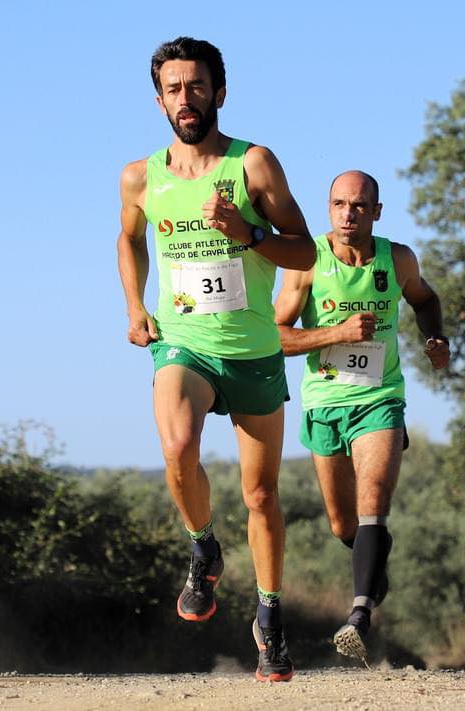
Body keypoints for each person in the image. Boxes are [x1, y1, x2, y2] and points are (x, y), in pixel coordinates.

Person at [115, 36, 315, 682]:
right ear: (159, 100)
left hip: (253, 349)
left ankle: (269, 615)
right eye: (174, 89)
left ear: (219, 93)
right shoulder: (141, 176)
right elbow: (128, 237)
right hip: (183, 341)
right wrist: (134, 306)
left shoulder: (253, 165)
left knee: (260, 494)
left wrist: (250, 233)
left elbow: (306, 251)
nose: (186, 99)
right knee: (177, 446)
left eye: (196, 87)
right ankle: (202, 545)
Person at [273, 170, 449, 661]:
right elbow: (276, 335)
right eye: (339, 204)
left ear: (376, 212)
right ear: (328, 208)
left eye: (358, 206)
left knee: (374, 499)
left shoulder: (398, 259)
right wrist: (335, 334)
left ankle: (360, 613)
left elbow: (426, 300)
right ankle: (372, 568)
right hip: (326, 404)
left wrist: (436, 339)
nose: (348, 214)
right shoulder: (308, 261)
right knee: (342, 525)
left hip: (380, 399)